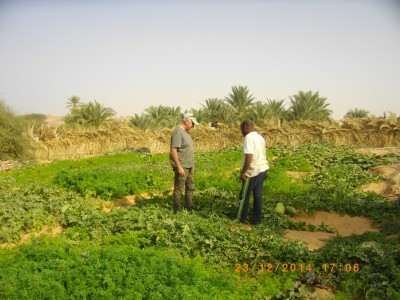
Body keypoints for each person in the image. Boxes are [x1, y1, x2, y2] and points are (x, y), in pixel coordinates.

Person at [238, 120, 269, 224]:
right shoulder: (260, 137)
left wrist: (243, 173)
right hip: (262, 169)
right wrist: (266, 170)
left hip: (252, 172)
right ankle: (256, 220)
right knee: (257, 195)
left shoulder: (249, 137)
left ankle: (241, 219)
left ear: (245, 127)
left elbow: (249, 155)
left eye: (241, 129)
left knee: (244, 196)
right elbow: (263, 154)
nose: (241, 131)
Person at [169, 112, 199, 213]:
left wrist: (192, 165)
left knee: (190, 187)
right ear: (187, 121)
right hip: (182, 166)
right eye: (192, 123)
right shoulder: (178, 132)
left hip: (189, 166)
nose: (193, 125)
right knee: (179, 189)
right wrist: (179, 167)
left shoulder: (186, 132)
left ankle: (189, 207)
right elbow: (173, 151)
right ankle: (177, 210)